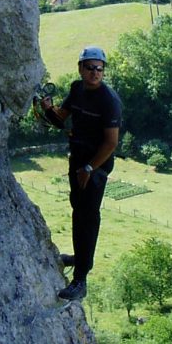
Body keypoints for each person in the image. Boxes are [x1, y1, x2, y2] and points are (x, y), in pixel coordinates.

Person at [39, 46, 121, 301]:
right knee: (78, 211)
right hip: (79, 159)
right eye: (91, 67)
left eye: (99, 68)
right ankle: (79, 258)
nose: (95, 73)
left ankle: (81, 279)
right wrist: (48, 109)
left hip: (95, 166)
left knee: (88, 217)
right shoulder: (77, 89)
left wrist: (89, 168)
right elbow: (61, 119)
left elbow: (110, 143)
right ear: (81, 68)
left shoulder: (109, 101)